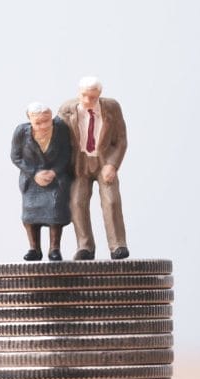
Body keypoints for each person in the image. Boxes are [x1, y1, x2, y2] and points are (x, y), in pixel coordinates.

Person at [58, 76, 130, 260]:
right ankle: (85, 246)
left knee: (112, 200)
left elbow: (121, 140)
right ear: (78, 93)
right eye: (84, 96)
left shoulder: (112, 108)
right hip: (79, 162)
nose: (88, 100)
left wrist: (112, 165)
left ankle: (118, 245)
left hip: (104, 161)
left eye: (93, 97)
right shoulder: (66, 110)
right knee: (77, 202)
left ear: (99, 94)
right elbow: (58, 140)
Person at [10, 102, 74, 261]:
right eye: (38, 122)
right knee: (30, 214)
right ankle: (34, 248)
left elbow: (67, 153)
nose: (44, 125)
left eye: (47, 121)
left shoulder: (60, 129)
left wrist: (54, 171)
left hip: (55, 178)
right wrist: (34, 173)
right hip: (32, 180)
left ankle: (54, 249)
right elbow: (16, 156)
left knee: (55, 211)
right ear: (29, 120)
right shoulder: (21, 132)